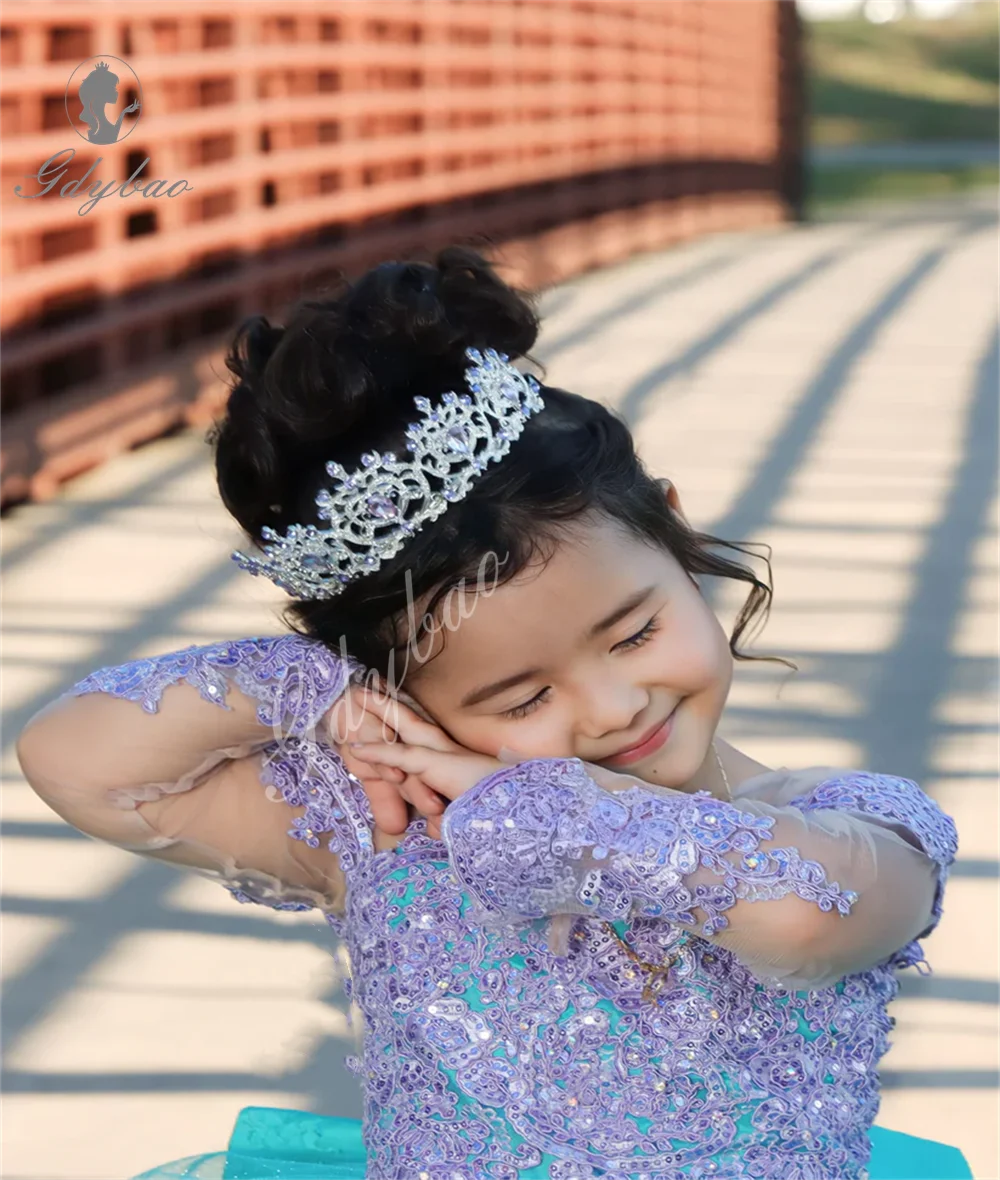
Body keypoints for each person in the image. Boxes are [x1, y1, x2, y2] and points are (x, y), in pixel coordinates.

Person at [16, 246, 973, 1180]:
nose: (611, 708)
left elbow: (808, 920)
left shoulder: (857, 828)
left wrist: (537, 811)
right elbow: (81, 764)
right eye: (523, 698)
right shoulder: (390, 832)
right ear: (403, 699)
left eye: (634, 633)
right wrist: (311, 686)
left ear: (673, 536)